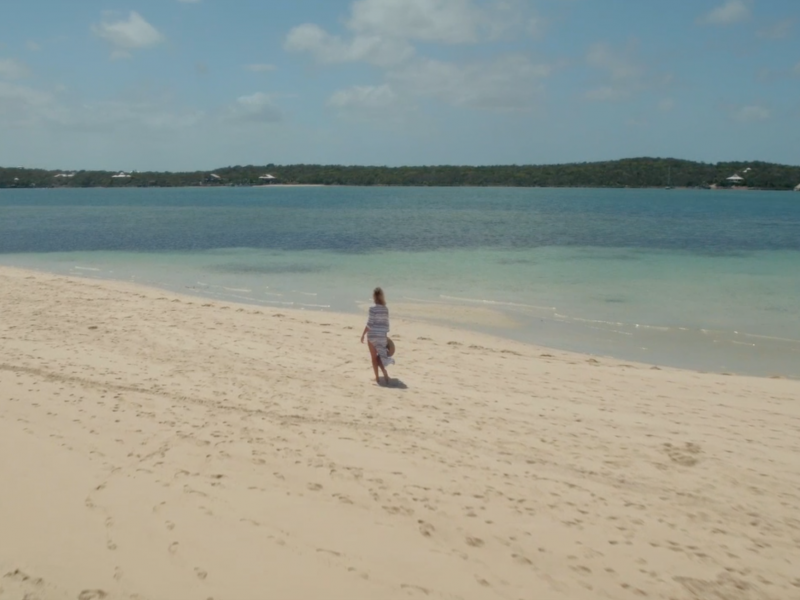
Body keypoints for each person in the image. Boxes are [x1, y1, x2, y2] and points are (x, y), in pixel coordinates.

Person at [361, 287, 395, 385]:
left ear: (374, 297)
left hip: (372, 336)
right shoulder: (386, 309)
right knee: (380, 356)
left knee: (373, 357)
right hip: (381, 336)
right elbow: (386, 325)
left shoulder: (372, 309)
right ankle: (384, 372)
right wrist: (384, 337)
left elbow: (370, 324)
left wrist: (363, 334)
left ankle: (377, 378)